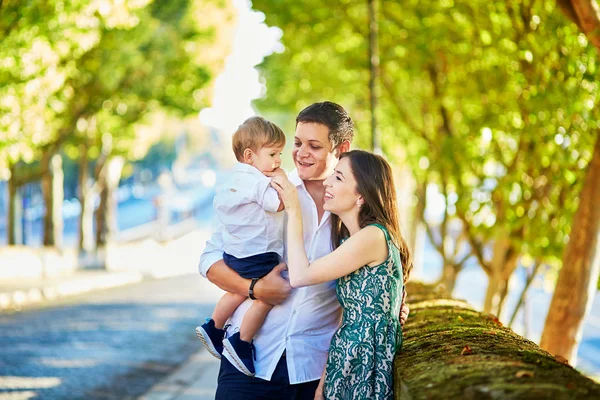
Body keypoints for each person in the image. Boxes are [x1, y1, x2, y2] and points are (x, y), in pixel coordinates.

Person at [199, 102, 409, 400]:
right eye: (297, 143)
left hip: (312, 370)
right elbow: (210, 261)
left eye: (314, 146)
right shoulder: (267, 190)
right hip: (248, 360)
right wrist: (255, 288)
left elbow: (379, 272)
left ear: (342, 147)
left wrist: (393, 304)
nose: (300, 153)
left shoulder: (351, 214)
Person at [271, 150, 411, 399]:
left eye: (338, 177)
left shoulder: (373, 236)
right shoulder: (352, 239)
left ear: (361, 194)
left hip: (364, 370)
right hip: (344, 363)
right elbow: (347, 318)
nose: (327, 182)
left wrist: (294, 210)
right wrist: (323, 383)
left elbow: (300, 276)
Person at [196, 116, 287, 376]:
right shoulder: (258, 181)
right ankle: (242, 341)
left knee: (238, 292)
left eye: (279, 154)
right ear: (249, 155)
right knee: (267, 296)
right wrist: (282, 184)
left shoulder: (231, 180)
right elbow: (276, 204)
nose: (278, 161)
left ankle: (214, 326)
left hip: (235, 255)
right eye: (273, 154)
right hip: (260, 255)